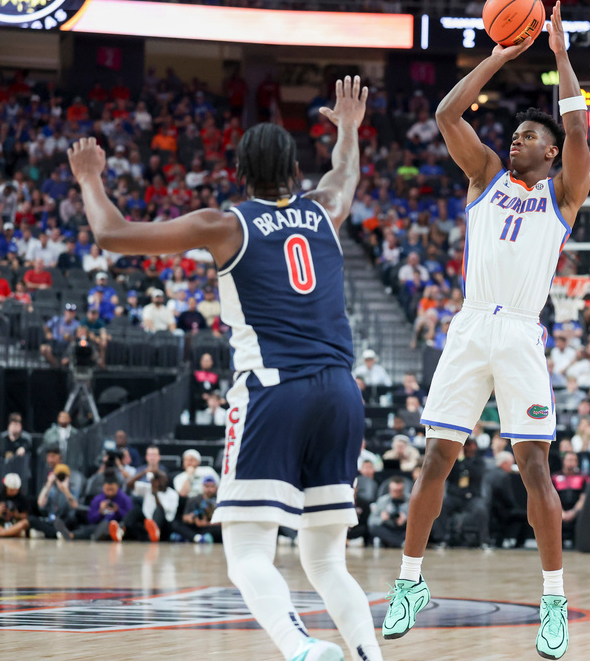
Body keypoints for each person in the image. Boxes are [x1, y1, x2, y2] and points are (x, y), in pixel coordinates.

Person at [67, 75, 382, 661]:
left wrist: (89, 177)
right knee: (325, 559)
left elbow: (112, 234)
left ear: (240, 172)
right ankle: (368, 656)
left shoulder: (226, 224)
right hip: (342, 393)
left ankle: (301, 650)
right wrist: (346, 129)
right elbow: (345, 172)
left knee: (246, 555)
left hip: (275, 391)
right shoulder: (325, 210)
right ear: (293, 170)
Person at [383, 5, 590, 659]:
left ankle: (552, 600)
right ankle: (408, 584)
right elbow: (449, 114)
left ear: (549, 150)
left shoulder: (563, 193)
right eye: (514, 138)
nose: (515, 144)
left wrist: (558, 55)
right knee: (437, 457)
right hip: (471, 327)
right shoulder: (483, 179)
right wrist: (502, 52)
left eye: (528, 138)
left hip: (522, 335)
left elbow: (579, 126)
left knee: (534, 466)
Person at [173, 475, 222, 543]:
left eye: (212, 486)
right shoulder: (194, 499)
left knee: (221, 530)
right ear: (203, 486)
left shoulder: (219, 500)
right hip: (195, 527)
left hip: (211, 527)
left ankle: (190, 537)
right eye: (207, 486)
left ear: (216, 488)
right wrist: (192, 519)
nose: (209, 489)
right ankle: (197, 537)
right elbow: (184, 517)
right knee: (176, 524)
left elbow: (222, 521)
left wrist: (207, 523)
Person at [0, 473, 31, 538]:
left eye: (16, 490)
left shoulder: (22, 498)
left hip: (14, 524)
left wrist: (17, 515)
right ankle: (9, 533)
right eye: (11, 490)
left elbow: (26, 516)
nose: (14, 492)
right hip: (0, 523)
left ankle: (1, 533)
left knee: (25, 523)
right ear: (6, 487)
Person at [368, 476, 410, 548]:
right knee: (374, 528)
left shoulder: (411, 500)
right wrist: (382, 519)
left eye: (399, 491)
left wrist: (407, 518)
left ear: (403, 489)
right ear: (390, 489)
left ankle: (397, 542)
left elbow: (420, 519)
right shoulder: (382, 501)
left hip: (405, 529)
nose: (397, 493)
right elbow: (371, 521)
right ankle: (401, 543)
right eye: (394, 490)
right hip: (388, 529)